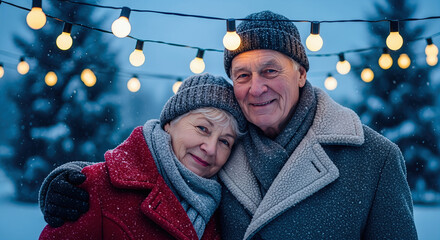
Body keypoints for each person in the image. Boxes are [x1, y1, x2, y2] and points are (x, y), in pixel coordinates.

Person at [39, 11, 418, 240]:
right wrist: (72, 180)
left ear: (301, 73)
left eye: (271, 70)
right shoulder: (225, 148)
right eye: (242, 74)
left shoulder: (375, 160)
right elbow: (151, 167)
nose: (257, 88)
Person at [38, 73, 247, 240]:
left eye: (225, 141)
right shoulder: (97, 186)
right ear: (169, 123)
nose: (210, 148)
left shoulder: (224, 213)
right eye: (202, 128)